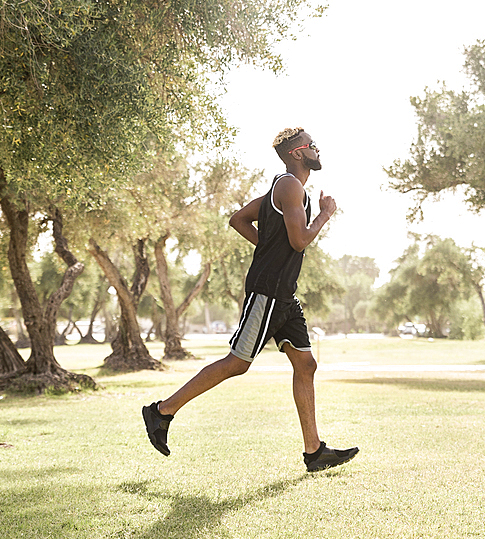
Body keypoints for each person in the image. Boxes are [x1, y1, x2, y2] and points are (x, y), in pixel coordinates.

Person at [142, 127, 359, 473]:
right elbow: (300, 240)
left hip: (284, 296)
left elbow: (238, 219)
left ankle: (314, 451)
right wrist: (324, 215)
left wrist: (269, 244)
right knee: (237, 363)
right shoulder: (288, 185)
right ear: (298, 153)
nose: (319, 149)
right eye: (312, 145)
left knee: (306, 365)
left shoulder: (288, 189)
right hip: (268, 292)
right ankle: (161, 412)